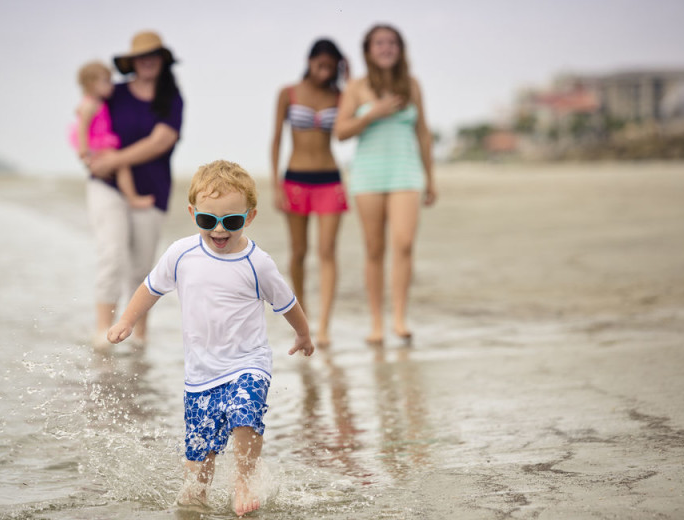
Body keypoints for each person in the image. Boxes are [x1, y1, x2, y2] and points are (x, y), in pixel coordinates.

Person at [107, 160, 315, 516]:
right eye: (208, 220)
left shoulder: (257, 263)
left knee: (245, 414)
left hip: (248, 363)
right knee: (199, 460)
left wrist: (304, 333)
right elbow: (151, 287)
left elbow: (287, 302)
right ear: (193, 214)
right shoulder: (181, 254)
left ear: (248, 218)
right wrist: (127, 319)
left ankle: (245, 478)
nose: (219, 230)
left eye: (231, 221)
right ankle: (197, 496)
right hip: (200, 374)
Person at [334, 24, 437, 345]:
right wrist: (372, 114)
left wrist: (430, 178)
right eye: (379, 43)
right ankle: (377, 323)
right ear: (368, 50)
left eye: (392, 43)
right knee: (374, 249)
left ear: (400, 49)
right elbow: (341, 132)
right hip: (367, 175)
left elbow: (422, 132)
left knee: (404, 244)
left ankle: (400, 318)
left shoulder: (412, 85)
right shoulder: (356, 87)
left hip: (406, 172)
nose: (386, 48)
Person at [85, 31, 184, 349]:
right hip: (107, 186)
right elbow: (84, 114)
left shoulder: (172, 98)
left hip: (151, 191)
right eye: (142, 56)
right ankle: (103, 332)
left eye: (154, 55)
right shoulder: (113, 93)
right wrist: (87, 154)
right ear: (133, 62)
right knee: (111, 255)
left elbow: (162, 141)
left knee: (142, 267)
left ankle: (138, 337)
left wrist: (114, 158)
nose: (148, 60)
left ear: (163, 59)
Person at [270, 39, 349, 347]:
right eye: (321, 65)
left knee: (327, 251)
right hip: (296, 179)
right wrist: (276, 184)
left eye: (331, 66)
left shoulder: (341, 95)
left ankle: (325, 326)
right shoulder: (287, 94)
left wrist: (349, 76)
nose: (325, 71)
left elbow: (346, 129)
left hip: (330, 179)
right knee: (299, 252)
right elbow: (276, 139)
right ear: (309, 60)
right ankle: (302, 319)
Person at [70, 61, 155, 209]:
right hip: (95, 144)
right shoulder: (89, 105)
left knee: (119, 163)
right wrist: (84, 151)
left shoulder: (98, 102)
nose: (111, 85)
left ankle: (128, 197)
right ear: (92, 84)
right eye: (106, 81)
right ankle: (132, 197)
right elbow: (82, 129)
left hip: (98, 142)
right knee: (121, 163)